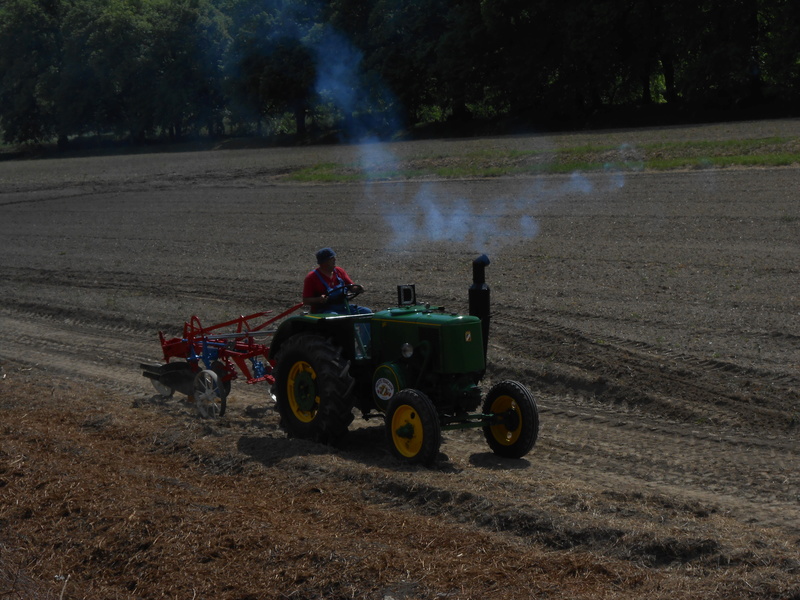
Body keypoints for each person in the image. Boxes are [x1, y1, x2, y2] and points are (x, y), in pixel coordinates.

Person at [303, 247, 370, 316]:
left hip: (343, 307)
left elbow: (351, 287)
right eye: (331, 258)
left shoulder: (339, 271)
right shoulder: (311, 277)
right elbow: (306, 300)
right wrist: (319, 299)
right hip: (324, 310)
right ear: (323, 262)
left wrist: (358, 288)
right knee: (334, 318)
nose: (334, 260)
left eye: (334, 257)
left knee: (367, 312)